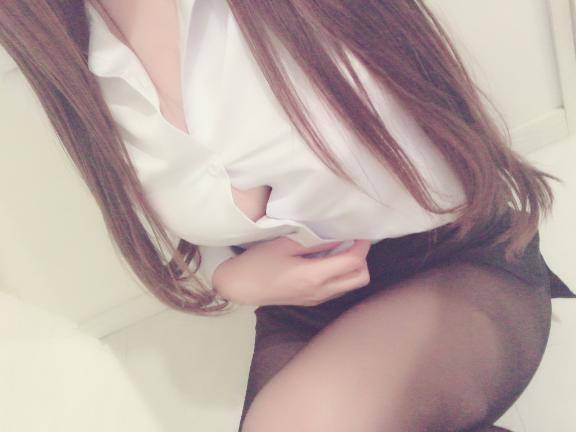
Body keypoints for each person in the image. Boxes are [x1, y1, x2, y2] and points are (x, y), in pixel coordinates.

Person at [1, 1, 574, 431]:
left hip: (449, 257)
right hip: (300, 311)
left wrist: (273, 195)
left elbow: (452, 164)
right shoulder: (79, 59)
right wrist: (229, 276)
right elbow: (187, 232)